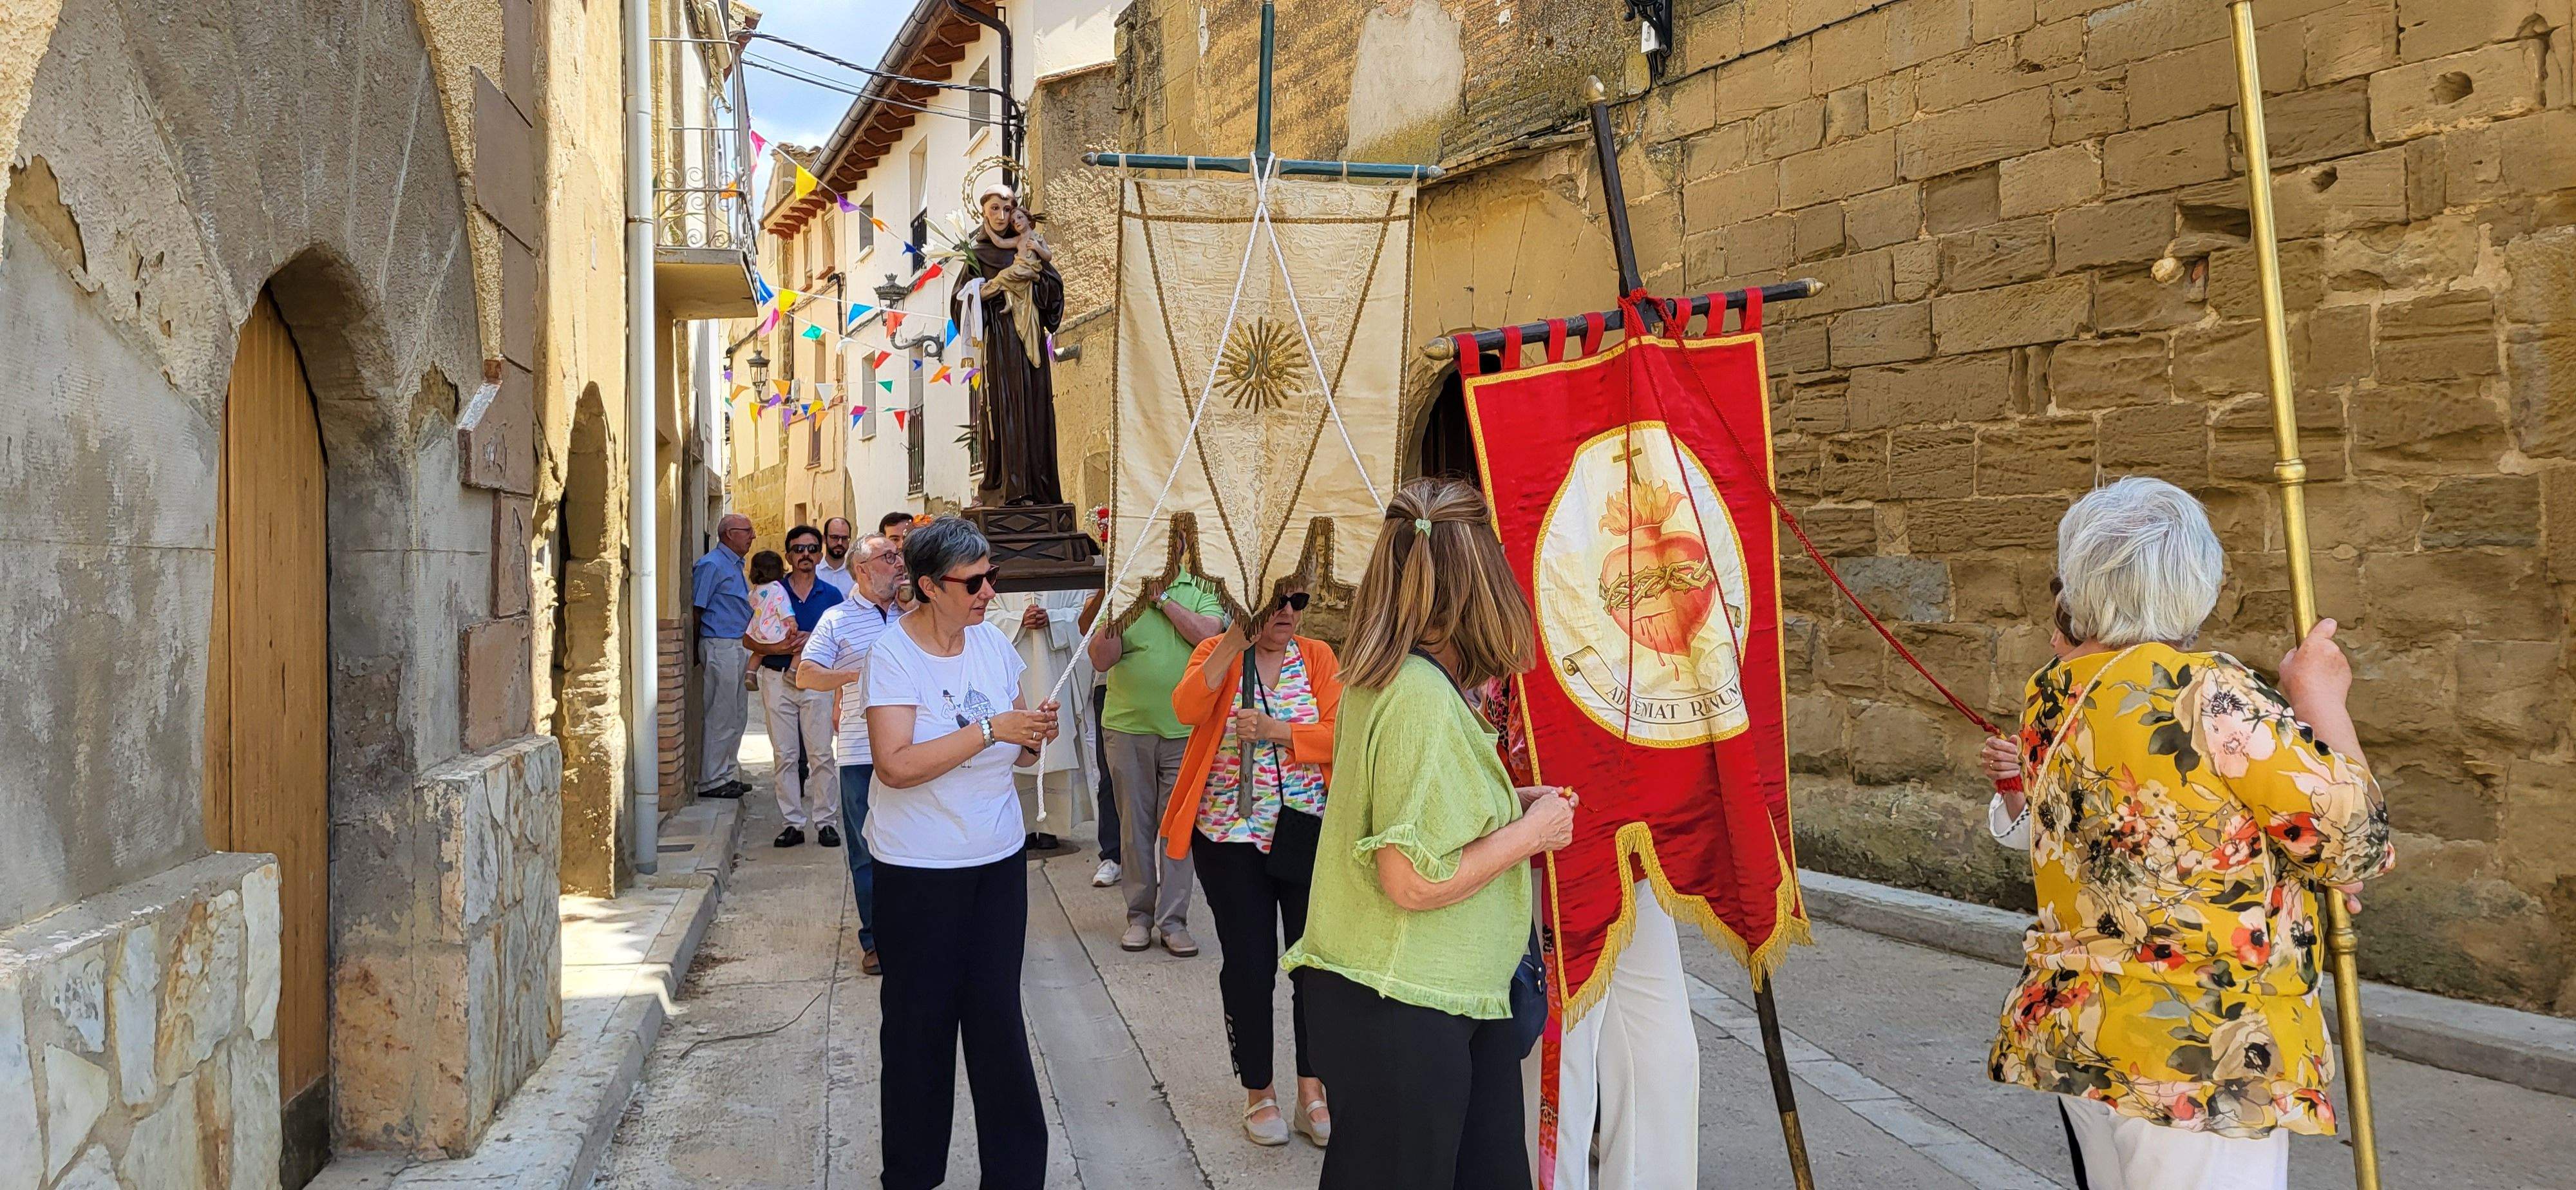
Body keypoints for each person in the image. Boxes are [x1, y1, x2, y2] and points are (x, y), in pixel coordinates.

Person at [1979, 477, 2394, 1190]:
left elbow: (2160, 830)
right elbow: (2358, 843)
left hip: (2085, 1029)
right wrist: (2319, 696)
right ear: (2195, 582)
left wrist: (2296, 869)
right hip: (2203, 1050)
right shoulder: (2211, 693)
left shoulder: (2053, 695)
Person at [1282, 478, 1577, 1190]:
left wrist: (1505, 803)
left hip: (1420, 1000)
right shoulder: (1418, 697)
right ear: (1479, 584)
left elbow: (1414, 809)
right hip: (1404, 1006)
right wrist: (1533, 831)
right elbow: (1409, 877)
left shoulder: (1391, 679)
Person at [862, 516, 1061, 1190]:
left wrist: (1032, 735)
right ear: (927, 586)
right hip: (918, 873)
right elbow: (894, 765)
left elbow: (1015, 746)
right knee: (920, 1031)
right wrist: (989, 729)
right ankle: (912, 1178)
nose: (987, 592)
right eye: (973, 581)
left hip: (996, 863)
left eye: (991, 577)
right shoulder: (892, 655)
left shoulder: (994, 648)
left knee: (997, 1020)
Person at [1167, 585, 1340, 1148]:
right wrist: (1229, 646)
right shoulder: (1217, 650)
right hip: (1228, 835)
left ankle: (1312, 1089)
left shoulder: (1317, 657)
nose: (1287, 612)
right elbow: (1187, 708)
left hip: (1303, 831)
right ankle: (1258, 1091)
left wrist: (1278, 733)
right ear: (1247, 606)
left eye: (1297, 600)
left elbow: (1343, 735)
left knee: (1313, 965)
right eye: (1274, 602)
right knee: (1249, 963)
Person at [1088, 565, 1227, 956]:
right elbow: (1101, 659)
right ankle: (1139, 918)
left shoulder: (1203, 584)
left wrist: (1161, 600)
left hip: (1185, 730)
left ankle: (1174, 921)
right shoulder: (1125, 585)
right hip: (1128, 726)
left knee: (1178, 828)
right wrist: (1120, 606)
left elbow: (1208, 635)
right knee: (1134, 827)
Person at [796, 533, 906, 976]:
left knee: (913, 843)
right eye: (888, 557)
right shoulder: (837, 620)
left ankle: (914, 932)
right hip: (861, 752)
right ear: (862, 569)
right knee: (866, 851)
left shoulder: (916, 614)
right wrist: (855, 676)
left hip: (917, 748)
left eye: (899, 556)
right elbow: (806, 674)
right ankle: (875, 940)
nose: (898, 564)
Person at [951, 182, 1065, 506]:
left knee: (1034, 410)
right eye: (995, 209)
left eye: (1007, 208)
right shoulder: (977, 254)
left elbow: (1054, 288)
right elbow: (959, 304)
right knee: (1004, 411)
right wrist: (982, 291)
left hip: (1029, 345)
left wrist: (1038, 280)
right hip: (1000, 347)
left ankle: (1039, 490)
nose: (1002, 216)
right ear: (983, 211)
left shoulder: (1027, 243)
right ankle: (1004, 489)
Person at [750, 524, 846, 848]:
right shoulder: (771, 591)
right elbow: (749, 637)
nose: (806, 555)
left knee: (821, 754)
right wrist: (782, 649)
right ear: (789, 555)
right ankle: (792, 822)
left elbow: (841, 642)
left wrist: (812, 640)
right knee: (785, 755)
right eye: (798, 549)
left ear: (819, 555)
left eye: (811, 549)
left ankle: (826, 822)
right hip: (777, 678)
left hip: (817, 681)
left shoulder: (832, 596)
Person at [987, 587, 1099, 856]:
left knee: (1055, 744)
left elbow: (1083, 616)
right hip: (1015, 669)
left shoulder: (1063, 564)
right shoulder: (998, 571)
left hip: (1055, 665)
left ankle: (1051, 829)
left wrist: (1053, 619)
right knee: (1014, 747)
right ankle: (1022, 827)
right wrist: (1017, 620)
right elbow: (985, 617)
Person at [691, 513, 758, 799]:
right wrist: (696, 650)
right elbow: (697, 608)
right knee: (721, 713)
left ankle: (728, 773)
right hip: (720, 645)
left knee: (738, 714)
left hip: (737, 645)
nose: (753, 535)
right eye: (747, 531)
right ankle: (712, 780)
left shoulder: (735, 566)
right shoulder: (711, 565)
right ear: (730, 534)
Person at [1080, 592, 1122, 889]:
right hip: (1110, 688)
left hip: (1164, 689)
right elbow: (1085, 626)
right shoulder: (1110, 584)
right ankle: (1113, 856)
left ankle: (1155, 859)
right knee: (1109, 777)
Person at [744, 549, 788, 691]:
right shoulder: (777, 589)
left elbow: (751, 604)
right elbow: (783, 605)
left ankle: (750, 673)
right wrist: (791, 619)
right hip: (773, 630)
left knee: (759, 652)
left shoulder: (755, 590)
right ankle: (793, 671)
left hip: (757, 630)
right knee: (797, 645)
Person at [815, 516, 857, 594]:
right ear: (824, 539)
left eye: (844, 538)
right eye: (835, 537)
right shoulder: (814, 573)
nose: (840, 543)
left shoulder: (857, 574)